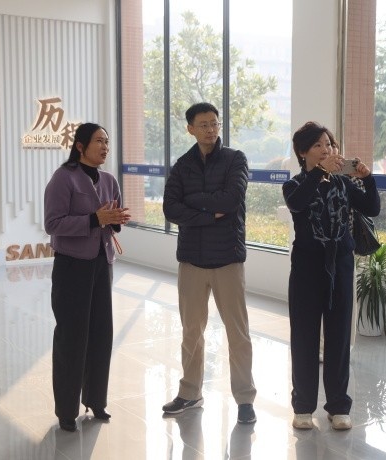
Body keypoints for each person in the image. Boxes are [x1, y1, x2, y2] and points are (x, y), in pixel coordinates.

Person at [162, 102, 257, 424]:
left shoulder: (235, 159)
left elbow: (232, 200)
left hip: (228, 258)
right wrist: (207, 214)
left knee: (238, 333)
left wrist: (192, 204)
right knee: (191, 331)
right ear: (190, 128)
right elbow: (170, 209)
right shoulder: (182, 166)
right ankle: (190, 392)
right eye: (203, 125)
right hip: (192, 260)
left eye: (214, 123)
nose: (210, 129)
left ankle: (245, 399)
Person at [283, 122, 380, 431]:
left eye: (330, 144)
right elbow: (298, 203)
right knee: (304, 338)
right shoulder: (294, 184)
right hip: (307, 268)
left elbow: (372, 208)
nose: (327, 149)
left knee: (338, 338)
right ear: (303, 152)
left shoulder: (344, 184)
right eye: (318, 145)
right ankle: (303, 406)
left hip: (340, 265)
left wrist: (367, 179)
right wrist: (319, 172)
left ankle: (338, 406)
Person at [44, 123, 130, 432]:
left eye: (107, 141)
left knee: (101, 334)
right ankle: (66, 410)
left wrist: (116, 219)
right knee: (71, 337)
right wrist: (95, 218)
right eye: (98, 141)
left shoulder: (109, 180)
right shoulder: (63, 178)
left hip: (102, 264)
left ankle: (96, 400)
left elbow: (113, 220)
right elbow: (53, 224)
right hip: (71, 266)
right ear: (80, 146)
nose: (105, 146)